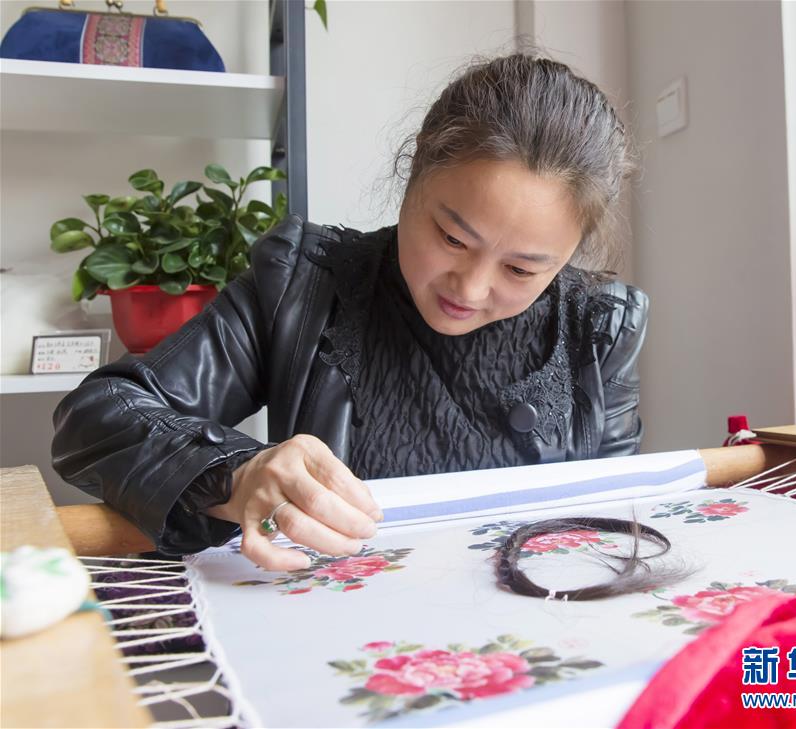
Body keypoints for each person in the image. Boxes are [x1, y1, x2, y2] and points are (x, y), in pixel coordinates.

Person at [51, 52, 647, 573]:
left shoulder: (596, 327)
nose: (470, 287)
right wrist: (233, 475)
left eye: (522, 270)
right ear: (414, 172)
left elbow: (611, 515)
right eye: (451, 238)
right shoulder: (305, 283)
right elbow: (95, 418)